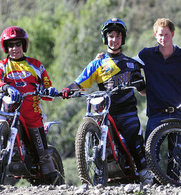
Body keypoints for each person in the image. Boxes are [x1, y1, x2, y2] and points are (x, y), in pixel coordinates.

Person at [60, 18, 153, 185]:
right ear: (105, 38)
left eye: (118, 36)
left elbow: (143, 91)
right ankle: (97, 173)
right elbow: (79, 83)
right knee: (98, 140)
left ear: (122, 39)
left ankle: (145, 173)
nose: (114, 39)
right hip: (105, 112)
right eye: (111, 36)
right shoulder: (97, 63)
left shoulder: (131, 64)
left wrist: (143, 85)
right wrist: (67, 89)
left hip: (127, 112)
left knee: (134, 139)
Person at [0, 26, 60, 184]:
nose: (14, 49)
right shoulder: (2, 65)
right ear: (6, 47)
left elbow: (47, 86)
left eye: (18, 44)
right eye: (11, 45)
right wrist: (6, 87)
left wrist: (50, 91)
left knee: (45, 162)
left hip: (32, 115)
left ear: (24, 45)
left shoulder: (35, 65)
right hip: (8, 114)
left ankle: (55, 181)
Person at [134, 18, 181, 141]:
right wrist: (141, 87)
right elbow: (128, 66)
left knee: (179, 157)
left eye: (166, 35)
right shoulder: (146, 55)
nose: (163, 38)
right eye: (160, 35)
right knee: (150, 156)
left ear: (172, 34)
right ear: (155, 35)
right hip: (156, 114)